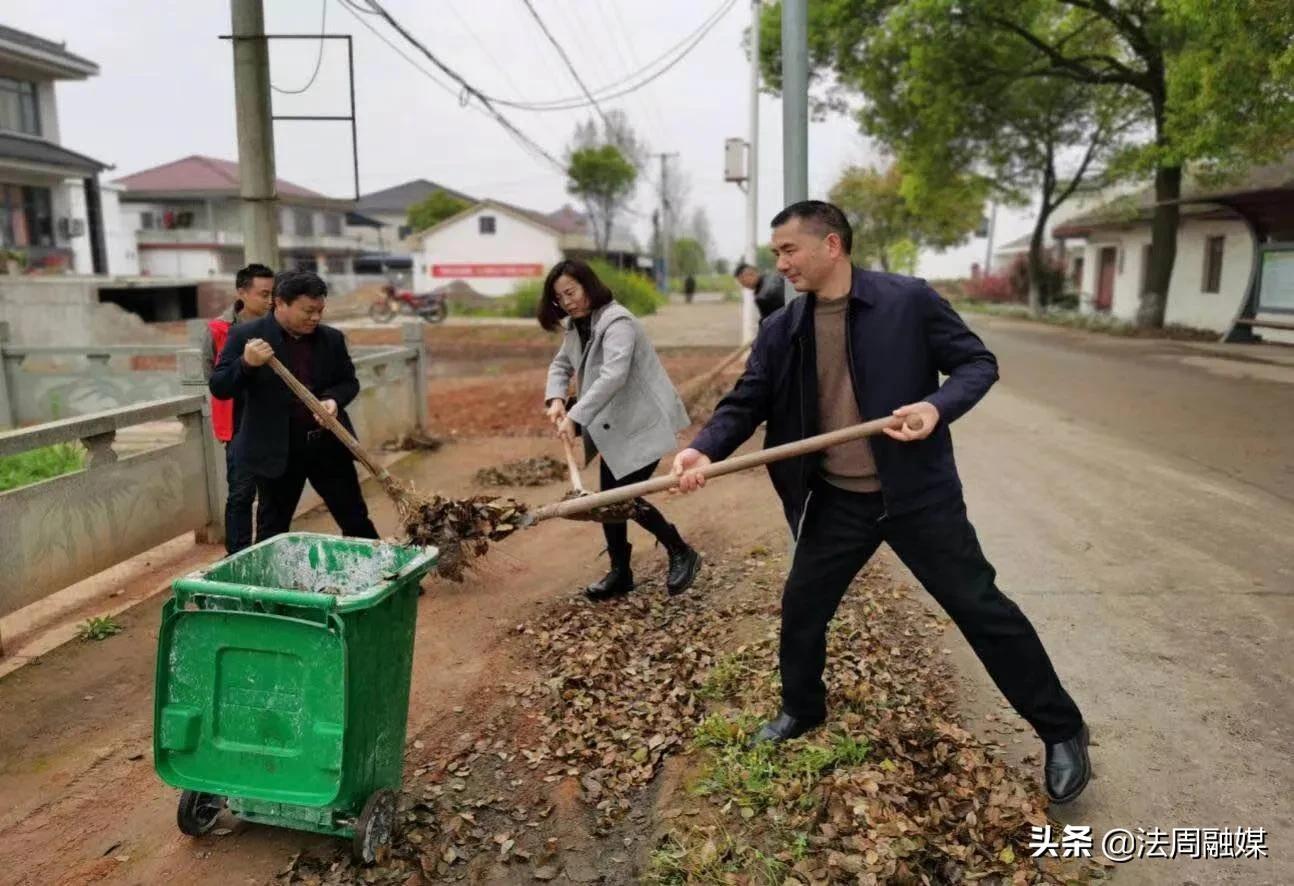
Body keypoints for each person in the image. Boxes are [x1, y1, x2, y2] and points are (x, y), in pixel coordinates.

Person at [674, 201, 1090, 804]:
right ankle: (802, 708)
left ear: (832, 245)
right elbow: (748, 399)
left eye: (789, 250)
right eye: (776, 255)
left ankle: (1062, 729)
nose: (781, 264)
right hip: (839, 499)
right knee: (803, 607)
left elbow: (977, 363)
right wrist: (704, 449)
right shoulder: (783, 328)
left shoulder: (907, 301)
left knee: (980, 608)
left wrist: (936, 406)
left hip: (918, 497)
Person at [540, 259, 702, 600]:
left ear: (588, 285)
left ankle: (680, 550)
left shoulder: (618, 322)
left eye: (571, 292)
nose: (567, 302)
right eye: (560, 298)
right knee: (607, 500)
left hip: (641, 423)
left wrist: (576, 416)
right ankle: (621, 572)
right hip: (613, 427)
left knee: (622, 497)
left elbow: (613, 375)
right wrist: (555, 398)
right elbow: (562, 363)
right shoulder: (576, 325)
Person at [210, 269, 379, 543]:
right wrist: (246, 364)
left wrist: (333, 400)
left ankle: (385, 578)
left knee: (355, 518)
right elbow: (220, 386)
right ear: (280, 303)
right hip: (277, 451)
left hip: (327, 445)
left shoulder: (331, 339)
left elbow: (349, 382)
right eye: (308, 311)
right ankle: (266, 585)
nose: (315, 317)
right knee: (272, 529)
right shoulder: (247, 336)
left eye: (320, 310)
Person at [201, 263, 274, 554]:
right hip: (237, 423)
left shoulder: (277, 326)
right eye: (263, 294)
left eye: (273, 294)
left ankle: (266, 552)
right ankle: (238, 556)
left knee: (271, 496)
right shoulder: (219, 329)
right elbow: (213, 376)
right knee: (241, 493)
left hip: (272, 422)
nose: (269, 301)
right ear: (242, 292)